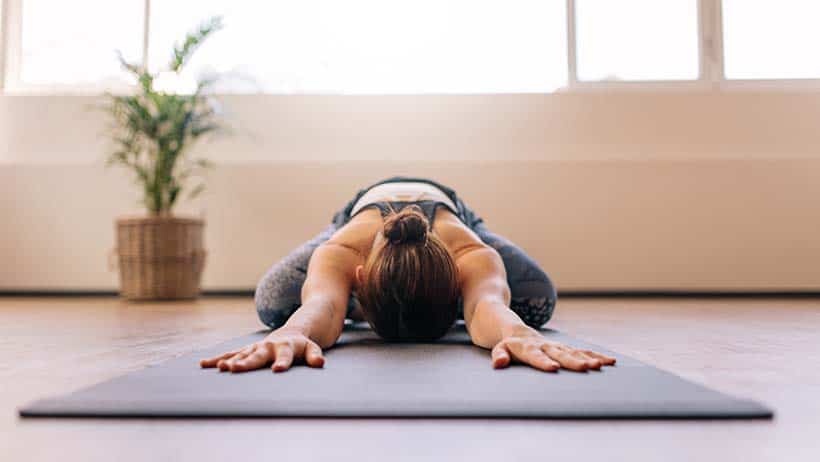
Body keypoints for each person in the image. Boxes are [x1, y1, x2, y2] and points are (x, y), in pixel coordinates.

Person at [200, 176, 615, 373]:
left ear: (458, 280)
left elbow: (486, 305)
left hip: (453, 211)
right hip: (360, 211)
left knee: (535, 302)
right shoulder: (343, 249)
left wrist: (516, 332)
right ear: (358, 278)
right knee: (275, 303)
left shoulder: (469, 250)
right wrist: (294, 331)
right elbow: (322, 305)